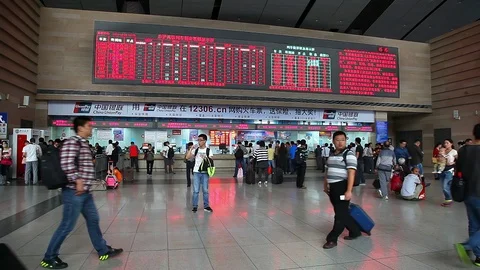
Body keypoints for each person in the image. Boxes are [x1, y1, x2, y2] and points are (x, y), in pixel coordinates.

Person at [40, 117, 122, 269]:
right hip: (74, 192)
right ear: (80, 128)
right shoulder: (73, 142)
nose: (91, 128)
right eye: (88, 126)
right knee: (67, 225)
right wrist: (76, 179)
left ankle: (103, 250)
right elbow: (66, 163)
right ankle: (49, 257)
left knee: (93, 220)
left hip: (85, 192)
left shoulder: (83, 143)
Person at [323, 131, 361, 249]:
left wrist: (349, 191)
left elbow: (351, 173)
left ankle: (332, 239)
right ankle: (355, 231)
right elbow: (327, 171)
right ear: (333, 141)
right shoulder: (332, 154)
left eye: (343, 140)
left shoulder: (349, 154)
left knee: (339, 215)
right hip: (332, 189)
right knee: (342, 212)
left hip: (342, 187)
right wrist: (325, 184)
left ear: (346, 141)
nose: (340, 142)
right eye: (337, 140)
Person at [454, 124, 480, 266]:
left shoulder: (464, 150)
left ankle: (479, 256)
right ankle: (467, 245)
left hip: (468, 192)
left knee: (474, 224)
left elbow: (459, 170)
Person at [185, 134, 213, 213]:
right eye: (198, 140)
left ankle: (206, 206)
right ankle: (195, 206)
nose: (199, 141)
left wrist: (206, 159)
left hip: (205, 172)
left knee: (205, 190)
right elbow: (187, 157)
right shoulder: (196, 150)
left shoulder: (208, 150)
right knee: (196, 190)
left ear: (204, 141)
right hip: (196, 171)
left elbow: (211, 161)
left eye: (200, 140)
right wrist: (191, 149)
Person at [440, 139, 458, 207]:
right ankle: (448, 199)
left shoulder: (454, 151)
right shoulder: (443, 151)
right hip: (442, 170)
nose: (445, 144)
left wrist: (453, 162)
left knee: (445, 187)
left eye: (447, 143)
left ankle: (449, 199)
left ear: (451, 144)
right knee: (444, 186)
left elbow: (458, 159)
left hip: (449, 170)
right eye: (444, 143)